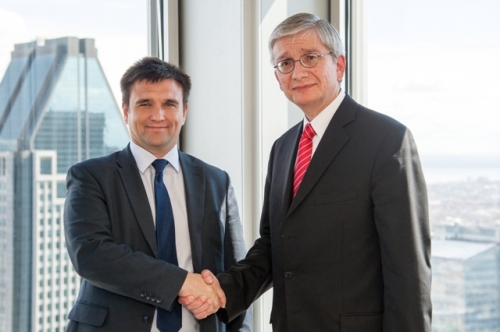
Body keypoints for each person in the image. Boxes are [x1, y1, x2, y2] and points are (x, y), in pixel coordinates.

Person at [182, 12, 432, 332]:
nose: (297, 71)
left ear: (339, 65)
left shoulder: (386, 140)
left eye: (310, 58)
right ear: (277, 77)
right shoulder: (283, 149)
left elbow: (408, 270)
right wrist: (222, 291)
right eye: (285, 63)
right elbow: (274, 246)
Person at [64, 57, 251, 332]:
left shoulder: (216, 181)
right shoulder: (91, 176)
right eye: (145, 104)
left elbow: (236, 275)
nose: (158, 115)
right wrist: (183, 282)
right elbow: (90, 254)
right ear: (126, 111)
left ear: (184, 111)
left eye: (169, 104)